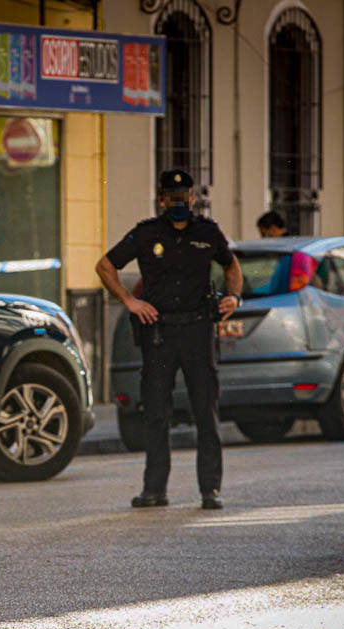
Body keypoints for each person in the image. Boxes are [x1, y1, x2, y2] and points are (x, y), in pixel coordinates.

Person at [95, 169, 243, 510]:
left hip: (198, 331)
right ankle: (154, 489)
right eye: (173, 198)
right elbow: (105, 266)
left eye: (184, 197)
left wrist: (234, 297)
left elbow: (232, 266)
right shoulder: (146, 233)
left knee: (205, 411)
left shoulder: (208, 232)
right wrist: (130, 301)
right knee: (156, 413)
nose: (180, 203)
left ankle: (210, 490)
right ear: (161, 199)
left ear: (192, 198)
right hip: (159, 334)